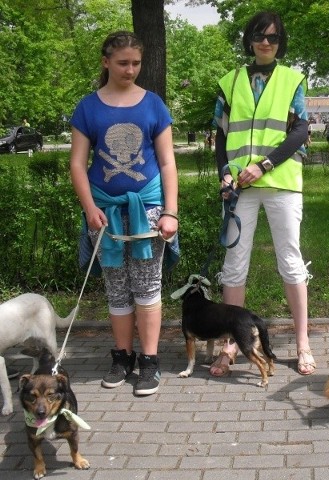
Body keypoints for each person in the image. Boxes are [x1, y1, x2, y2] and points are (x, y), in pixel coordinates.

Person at [69, 31, 179, 396]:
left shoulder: (153, 105)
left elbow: (167, 163)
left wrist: (171, 213)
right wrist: (90, 209)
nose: (130, 70)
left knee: (147, 286)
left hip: (148, 208)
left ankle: (149, 362)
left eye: (136, 63)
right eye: (122, 63)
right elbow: (77, 164)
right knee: (116, 288)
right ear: (106, 62)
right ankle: (123, 357)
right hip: (106, 212)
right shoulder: (87, 107)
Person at [211, 11, 315, 376]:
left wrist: (264, 165)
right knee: (234, 266)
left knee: (290, 260)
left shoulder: (293, 79)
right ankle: (230, 344)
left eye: (272, 37)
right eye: (259, 36)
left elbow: (300, 132)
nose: (265, 42)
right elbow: (221, 137)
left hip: (281, 182)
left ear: (281, 41)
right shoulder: (230, 81)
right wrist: (225, 174)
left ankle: (302, 342)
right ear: (249, 39)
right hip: (240, 186)